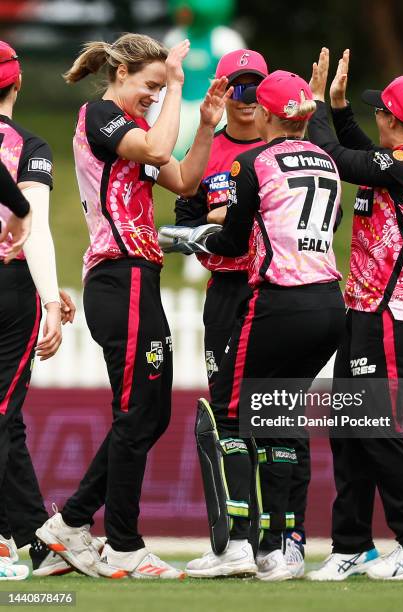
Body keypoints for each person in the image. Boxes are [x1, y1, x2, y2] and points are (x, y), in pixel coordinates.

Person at [35, 33, 231, 580]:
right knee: (136, 411)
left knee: (152, 411)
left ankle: (70, 525)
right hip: (117, 276)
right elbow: (157, 151)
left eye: (158, 87)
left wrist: (209, 124)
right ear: (119, 75)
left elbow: (184, 178)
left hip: (140, 278)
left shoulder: (137, 131)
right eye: (148, 86)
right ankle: (122, 545)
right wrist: (175, 86)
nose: (154, 95)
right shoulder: (100, 115)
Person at [167, 70, 345, 580]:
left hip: (277, 303)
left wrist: (189, 237)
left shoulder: (253, 161)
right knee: (282, 417)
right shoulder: (328, 162)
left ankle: (237, 545)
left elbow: (236, 239)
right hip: (329, 303)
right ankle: (285, 549)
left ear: (267, 114)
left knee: (231, 414)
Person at [306, 48, 403, 581]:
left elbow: (335, 155)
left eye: (378, 110)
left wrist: (318, 107)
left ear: (395, 120)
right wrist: (342, 107)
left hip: (393, 315)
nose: (375, 116)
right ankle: (352, 545)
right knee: (347, 430)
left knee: (374, 428)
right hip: (369, 310)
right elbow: (363, 153)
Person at [0, 40, 76, 580]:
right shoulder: (30, 145)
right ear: (18, 83)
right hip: (9, 288)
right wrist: (50, 299)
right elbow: (35, 230)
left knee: (9, 420)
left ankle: (35, 542)